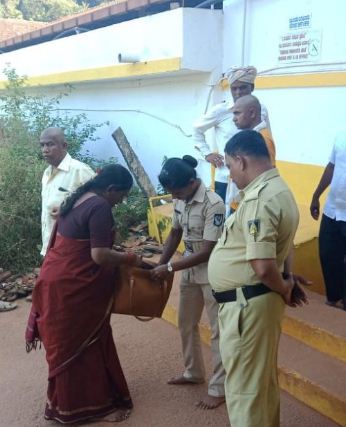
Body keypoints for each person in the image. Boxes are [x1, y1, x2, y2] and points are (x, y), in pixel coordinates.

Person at [26, 164, 142, 424]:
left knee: (72, 345)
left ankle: (65, 405)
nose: (120, 202)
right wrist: (131, 258)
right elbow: (99, 255)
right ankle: (92, 409)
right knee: (83, 347)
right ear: (110, 189)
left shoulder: (77, 197)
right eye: (121, 196)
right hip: (75, 287)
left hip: (57, 281)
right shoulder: (99, 206)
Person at [208, 131, 307, 427]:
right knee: (260, 386)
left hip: (246, 305)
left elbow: (262, 266)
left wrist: (286, 287)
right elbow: (283, 245)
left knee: (244, 391)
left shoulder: (259, 199)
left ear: (241, 160)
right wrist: (286, 275)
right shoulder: (278, 189)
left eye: (229, 166)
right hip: (253, 301)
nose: (230, 174)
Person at [151, 155, 226, 410]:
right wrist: (160, 263)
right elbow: (175, 232)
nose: (174, 196)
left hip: (212, 272)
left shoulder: (213, 204)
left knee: (218, 332)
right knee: (186, 323)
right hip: (190, 272)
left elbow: (206, 251)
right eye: (171, 192)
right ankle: (193, 372)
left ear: (193, 182)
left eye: (177, 191)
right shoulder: (180, 198)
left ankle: (219, 387)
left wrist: (169, 267)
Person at [193, 66, 270, 202]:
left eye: (243, 88)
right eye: (234, 88)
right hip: (225, 178)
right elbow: (197, 129)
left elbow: (265, 137)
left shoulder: (260, 109)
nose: (238, 92)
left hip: (253, 179)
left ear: (252, 87)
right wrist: (207, 154)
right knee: (224, 220)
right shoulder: (220, 110)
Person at [40, 127, 95, 256]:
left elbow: (98, 206)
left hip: (73, 250)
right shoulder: (47, 173)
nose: (45, 150)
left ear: (64, 145)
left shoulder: (80, 171)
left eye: (50, 144)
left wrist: (67, 209)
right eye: (42, 145)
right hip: (50, 246)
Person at [310, 131, 346, 310]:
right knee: (327, 254)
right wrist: (316, 196)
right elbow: (331, 167)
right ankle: (334, 297)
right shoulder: (340, 137)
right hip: (332, 210)